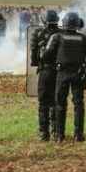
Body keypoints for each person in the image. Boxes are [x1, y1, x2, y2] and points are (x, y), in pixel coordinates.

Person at [43, 12, 86, 142]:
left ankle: (59, 135)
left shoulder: (56, 36)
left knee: (60, 104)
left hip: (61, 73)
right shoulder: (83, 38)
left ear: (64, 23)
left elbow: (46, 55)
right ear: (77, 24)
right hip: (78, 74)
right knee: (79, 105)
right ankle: (78, 135)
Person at [30, 10, 61, 141]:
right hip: (59, 72)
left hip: (45, 71)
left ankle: (44, 133)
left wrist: (38, 63)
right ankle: (56, 131)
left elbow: (34, 56)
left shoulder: (38, 33)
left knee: (43, 103)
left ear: (44, 20)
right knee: (56, 101)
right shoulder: (62, 33)